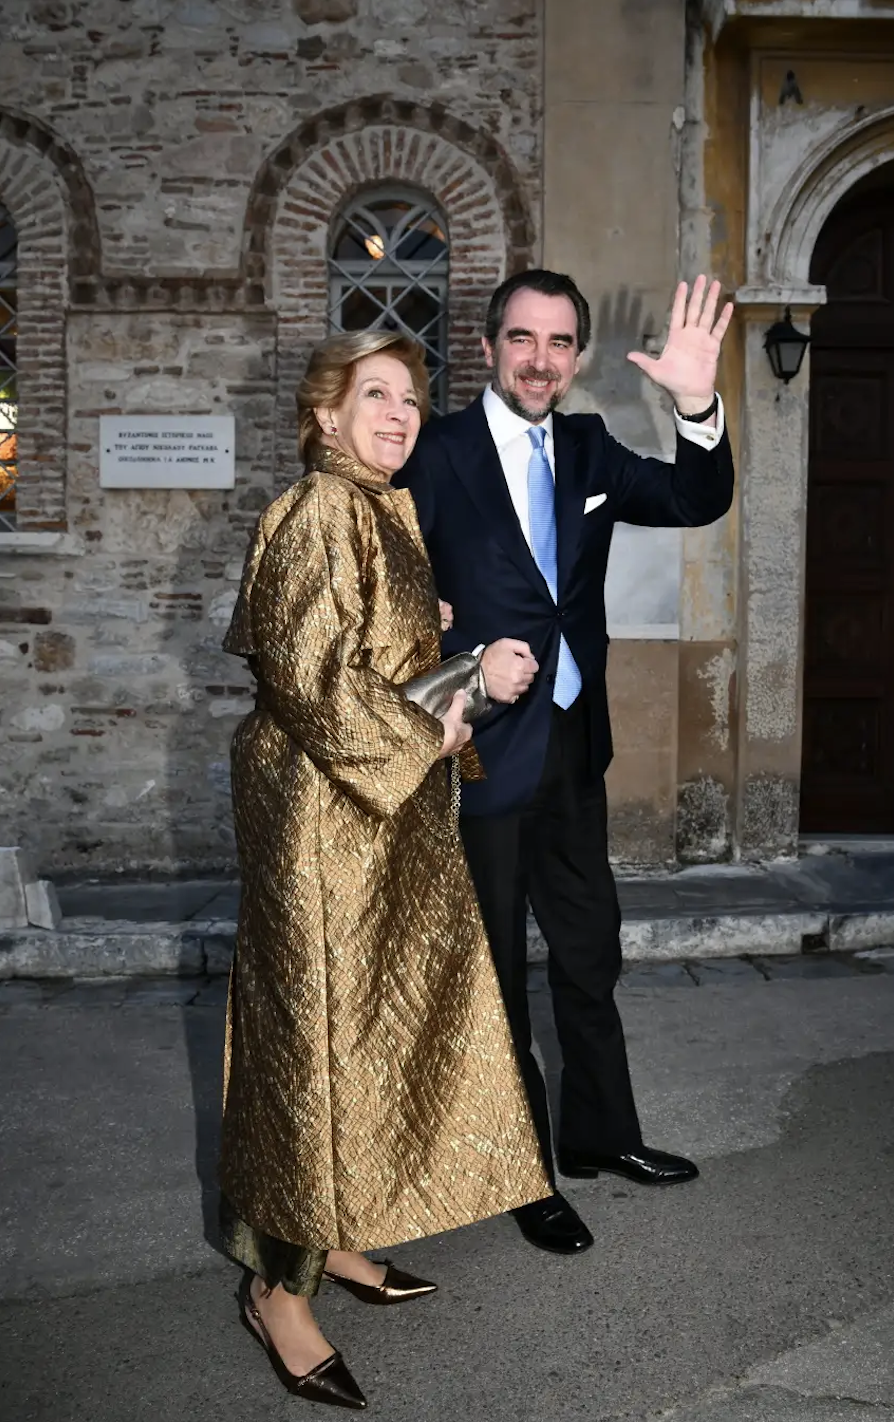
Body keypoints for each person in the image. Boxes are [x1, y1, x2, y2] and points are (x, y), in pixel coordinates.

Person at [219, 330, 549, 1409]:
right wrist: (442, 727)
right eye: (376, 394)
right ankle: (278, 1290)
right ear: (325, 413)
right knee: (311, 1049)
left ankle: (337, 1234)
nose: (401, 412)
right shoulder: (322, 507)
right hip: (324, 824)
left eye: (411, 396)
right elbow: (312, 683)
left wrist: (448, 661)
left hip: (372, 812)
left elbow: (363, 658)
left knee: (362, 1034)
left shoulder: (373, 508)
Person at [396, 270, 734, 1256]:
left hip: (575, 746)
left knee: (590, 954)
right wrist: (461, 662)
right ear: (487, 347)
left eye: (557, 343)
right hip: (479, 754)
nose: (539, 360)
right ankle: (523, 1172)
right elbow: (383, 600)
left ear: (577, 356)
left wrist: (697, 403)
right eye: (521, 339)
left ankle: (599, 1135)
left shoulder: (588, 446)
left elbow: (693, 497)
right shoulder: (437, 452)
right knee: (498, 971)